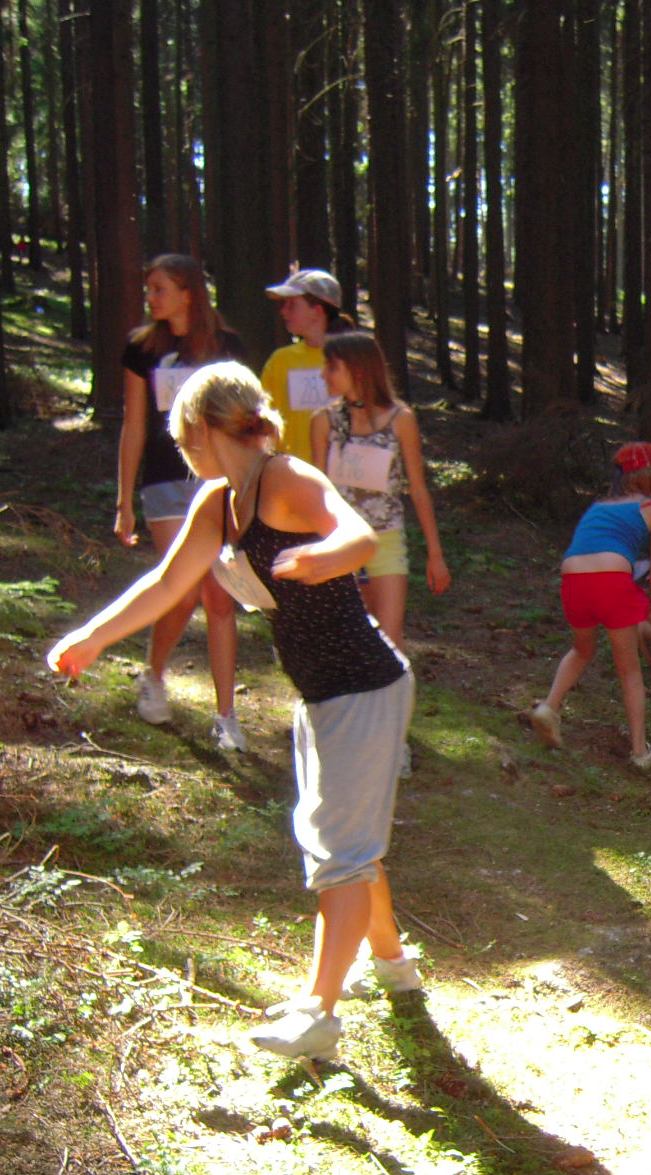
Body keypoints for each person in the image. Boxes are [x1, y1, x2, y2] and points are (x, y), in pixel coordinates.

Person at [48, 362, 420, 1060]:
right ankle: (395, 966)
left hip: (364, 686)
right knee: (347, 840)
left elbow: (359, 536)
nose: (180, 447)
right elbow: (167, 584)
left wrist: (326, 557)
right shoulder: (219, 502)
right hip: (321, 692)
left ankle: (319, 1013)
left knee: (338, 850)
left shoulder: (286, 478)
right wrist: (93, 636)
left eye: (181, 435)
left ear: (202, 427)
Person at [113, 255, 250, 748]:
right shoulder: (142, 349)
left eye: (159, 288)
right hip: (165, 482)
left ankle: (226, 716)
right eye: (149, 289)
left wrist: (249, 483)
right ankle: (153, 674)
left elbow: (244, 421)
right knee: (184, 587)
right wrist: (124, 501)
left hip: (218, 480)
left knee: (220, 595)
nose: (151, 297)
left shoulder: (227, 347)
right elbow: (134, 425)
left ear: (188, 292)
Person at [528, 441, 651, 768]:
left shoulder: (598, 507)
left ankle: (548, 707)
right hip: (612, 579)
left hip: (573, 578)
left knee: (581, 649)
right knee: (629, 669)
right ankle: (640, 752)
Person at [308, 332, 452, 653]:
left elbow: (417, 489)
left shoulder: (401, 419)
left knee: (389, 643)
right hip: (340, 542)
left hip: (387, 539)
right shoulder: (323, 421)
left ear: (358, 370)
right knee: (349, 641)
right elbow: (317, 492)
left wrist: (435, 555)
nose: (323, 375)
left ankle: (395, 688)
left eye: (332, 367)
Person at [261, 267, 352, 459]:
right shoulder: (280, 360)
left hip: (344, 472)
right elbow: (262, 421)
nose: (283, 311)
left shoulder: (353, 359)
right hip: (291, 472)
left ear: (317, 311)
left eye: (292, 305)